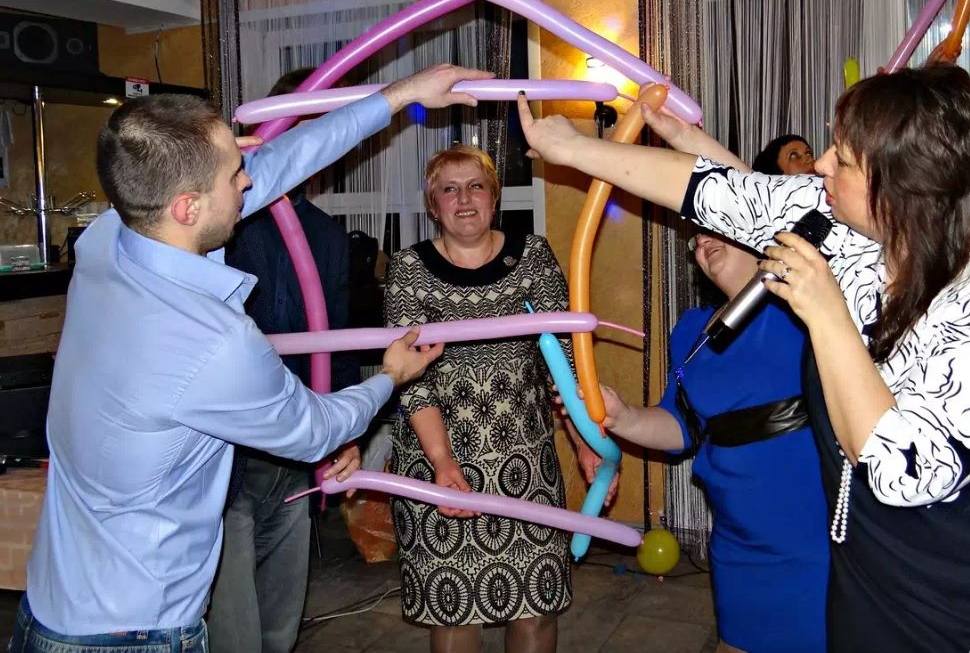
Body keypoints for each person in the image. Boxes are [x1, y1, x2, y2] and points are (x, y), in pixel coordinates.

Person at [10, 64, 490, 652]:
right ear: (187, 207)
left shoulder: (108, 238)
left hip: (52, 608)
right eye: (235, 171)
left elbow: (282, 162)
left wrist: (401, 96)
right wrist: (389, 377)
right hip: (133, 633)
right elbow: (315, 431)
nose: (250, 179)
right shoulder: (210, 339)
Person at [516, 66, 970, 652]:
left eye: (843, 158)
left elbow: (898, 472)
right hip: (859, 571)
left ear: (902, 186)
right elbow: (735, 196)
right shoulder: (858, 240)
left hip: (935, 592)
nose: (820, 164)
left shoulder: (959, 305)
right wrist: (574, 148)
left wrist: (826, 312)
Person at [385, 145, 610, 653]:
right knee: (454, 612)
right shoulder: (409, 267)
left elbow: (564, 363)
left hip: (524, 464)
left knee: (536, 605)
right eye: (449, 189)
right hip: (436, 461)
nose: (464, 199)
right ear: (433, 205)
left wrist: (585, 442)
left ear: (495, 196)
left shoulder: (532, 256)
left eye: (476, 186)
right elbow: (409, 377)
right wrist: (442, 461)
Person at [600, 227, 827, 653]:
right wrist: (623, 416)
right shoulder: (691, 331)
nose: (703, 242)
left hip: (814, 535)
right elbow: (681, 425)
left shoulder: (806, 304)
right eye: (696, 239)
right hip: (737, 539)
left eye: (716, 229)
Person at [206, 67, 362, 653]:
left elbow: (336, 338)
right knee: (233, 624)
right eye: (302, 127)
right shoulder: (221, 224)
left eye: (323, 131)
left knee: (280, 618)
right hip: (227, 451)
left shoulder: (326, 234)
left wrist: (345, 430)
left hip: (296, 443)